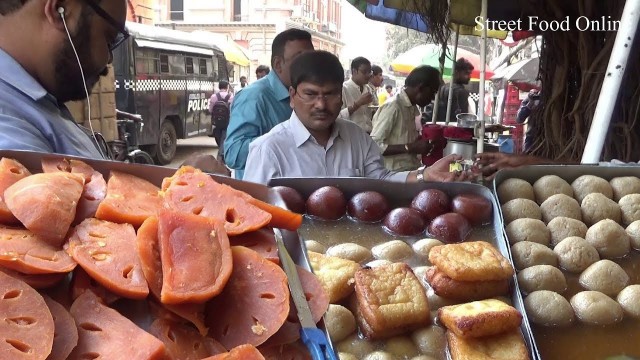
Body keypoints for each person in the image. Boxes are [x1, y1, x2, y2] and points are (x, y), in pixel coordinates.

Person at [0, 0, 229, 175]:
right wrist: (178, 192)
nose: (108, 63)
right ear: (60, 10)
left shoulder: (43, 102)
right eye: (109, 40)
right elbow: (56, 223)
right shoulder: (8, 124)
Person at [243, 50, 467, 185]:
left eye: (329, 94)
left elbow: (381, 181)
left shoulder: (357, 138)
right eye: (310, 94)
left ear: (340, 96)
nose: (320, 104)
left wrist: (425, 175)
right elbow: (254, 214)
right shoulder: (268, 150)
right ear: (293, 96)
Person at [223, 28, 314, 179]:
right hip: (262, 194)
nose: (308, 67)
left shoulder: (305, 94)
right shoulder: (253, 96)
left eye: (311, 60)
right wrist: (284, 141)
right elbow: (234, 154)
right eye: (300, 60)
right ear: (278, 64)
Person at [371, 66, 442, 171]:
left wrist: (420, 143)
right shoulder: (393, 106)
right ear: (421, 88)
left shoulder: (411, 106)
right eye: (432, 93)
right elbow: (373, 146)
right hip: (393, 175)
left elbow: (403, 138)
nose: (432, 98)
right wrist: (410, 147)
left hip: (410, 170)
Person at [432, 58, 474, 123]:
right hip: (453, 129)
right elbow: (462, 118)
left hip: (439, 126)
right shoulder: (460, 91)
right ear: (457, 72)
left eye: (470, 74)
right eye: (466, 73)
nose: (469, 77)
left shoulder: (443, 87)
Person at [340, 57, 376, 133]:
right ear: (354, 71)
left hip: (368, 134)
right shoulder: (343, 89)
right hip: (351, 135)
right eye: (364, 72)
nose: (368, 75)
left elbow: (370, 112)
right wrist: (357, 104)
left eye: (370, 72)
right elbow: (339, 116)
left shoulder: (368, 89)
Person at [208, 80, 233, 163]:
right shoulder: (230, 97)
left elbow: (211, 110)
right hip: (227, 122)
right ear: (227, 87)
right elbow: (232, 110)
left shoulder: (214, 96)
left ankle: (221, 153)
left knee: (219, 138)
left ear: (219, 87)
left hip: (217, 122)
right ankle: (221, 155)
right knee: (224, 138)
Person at [516, 88, 541, 152]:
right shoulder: (532, 96)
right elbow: (519, 119)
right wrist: (530, 103)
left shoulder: (551, 95)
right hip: (532, 139)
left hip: (551, 139)